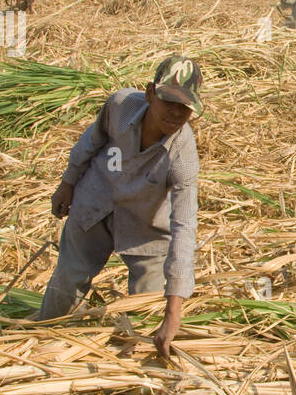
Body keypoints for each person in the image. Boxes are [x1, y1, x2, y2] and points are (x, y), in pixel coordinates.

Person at [37, 55, 202, 357]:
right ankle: (44, 352)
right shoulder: (121, 105)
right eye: (169, 101)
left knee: (145, 318)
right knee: (64, 292)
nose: (176, 113)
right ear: (151, 93)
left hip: (145, 229)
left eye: (185, 107)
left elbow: (184, 227)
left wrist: (173, 309)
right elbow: (90, 142)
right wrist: (67, 183)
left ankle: (129, 376)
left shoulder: (183, 155)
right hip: (94, 206)